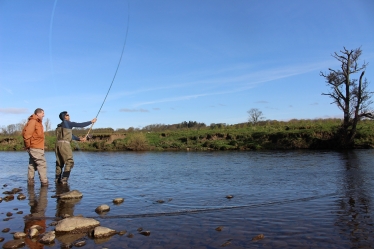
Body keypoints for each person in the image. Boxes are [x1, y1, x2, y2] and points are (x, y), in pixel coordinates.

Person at [55, 111, 97, 184]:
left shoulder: (59, 126)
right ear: (65, 116)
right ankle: (64, 179)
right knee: (69, 162)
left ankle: (57, 180)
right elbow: (80, 125)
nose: (69, 116)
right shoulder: (68, 123)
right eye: (68, 115)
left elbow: (70, 135)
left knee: (59, 163)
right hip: (65, 144)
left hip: (57, 145)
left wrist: (79, 139)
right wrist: (91, 121)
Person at [22, 108, 48, 186]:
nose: (44, 115)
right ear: (38, 113)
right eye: (43, 113)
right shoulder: (33, 122)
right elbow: (26, 135)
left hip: (37, 147)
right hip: (35, 147)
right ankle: (44, 183)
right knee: (41, 164)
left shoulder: (37, 122)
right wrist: (28, 146)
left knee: (32, 164)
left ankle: (30, 183)